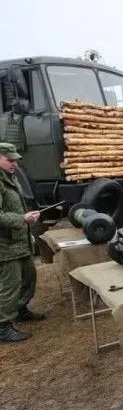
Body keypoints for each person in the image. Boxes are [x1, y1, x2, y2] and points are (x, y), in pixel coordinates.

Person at [0, 143, 44, 343]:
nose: (15, 164)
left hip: (19, 241)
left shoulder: (10, 178)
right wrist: (22, 219)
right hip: (5, 245)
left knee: (29, 276)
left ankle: (20, 310)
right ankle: (3, 326)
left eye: (16, 160)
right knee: (10, 285)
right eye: (10, 160)